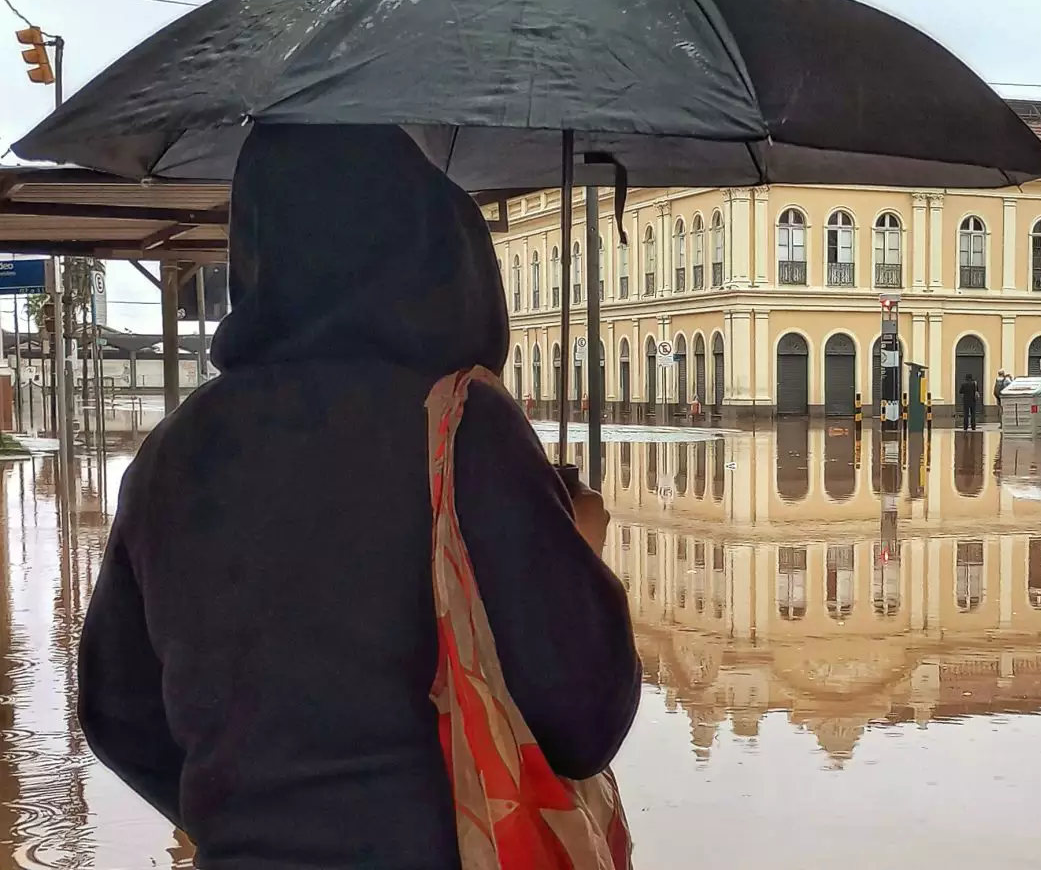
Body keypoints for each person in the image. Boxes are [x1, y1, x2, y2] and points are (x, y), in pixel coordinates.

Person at [78, 127, 640, 869]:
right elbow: (583, 722)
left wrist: (251, 812)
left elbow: (117, 713)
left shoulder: (174, 451)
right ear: (430, 242)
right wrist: (584, 549)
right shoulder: (461, 429)